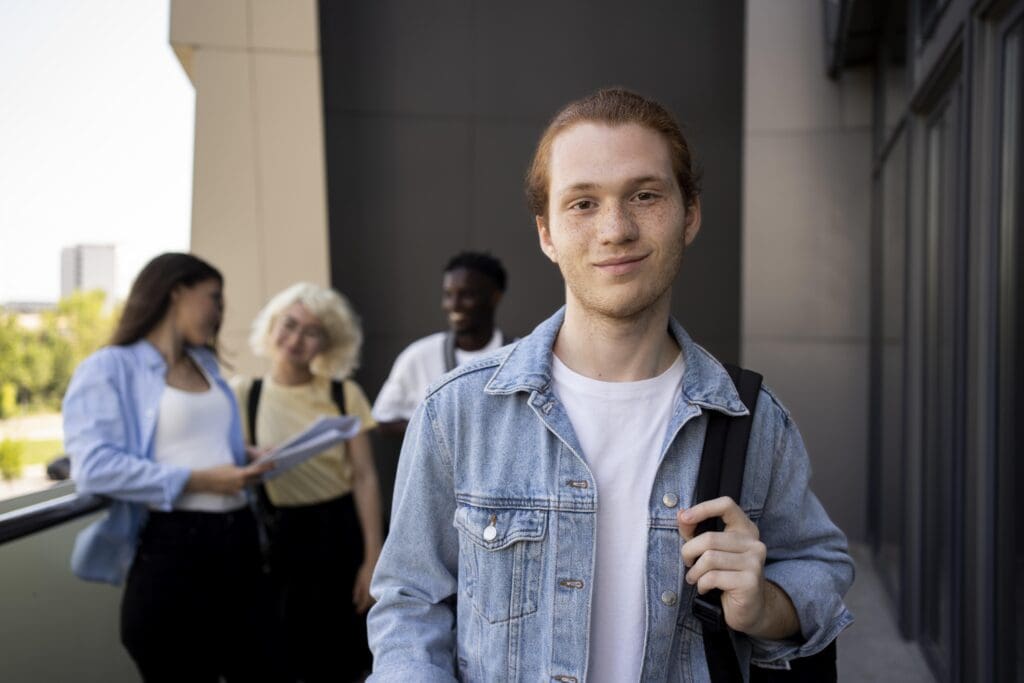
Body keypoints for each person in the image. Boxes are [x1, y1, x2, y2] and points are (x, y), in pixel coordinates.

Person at [367, 88, 854, 681]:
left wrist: (765, 606)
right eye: (583, 203)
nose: (616, 229)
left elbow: (819, 565)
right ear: (546, 233)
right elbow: (410, 603)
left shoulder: (752, 418)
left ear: (690, 215)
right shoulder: (457, 411)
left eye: (645, 195)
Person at [63, 252, 284, 682]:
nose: (220, 312)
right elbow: (94, 466)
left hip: (241, 540)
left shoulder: (204, 363)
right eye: (214, 297)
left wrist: (244, 456)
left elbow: (190, 442)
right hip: (175, 549)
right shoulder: (109, 368)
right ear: (176, 291)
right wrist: (198, 480)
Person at [234, 282, 382, 682]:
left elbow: (365, 477)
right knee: (280, 657)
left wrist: (372, 560)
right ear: (272, 325)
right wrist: (248, 455)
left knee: (342, 659)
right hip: (276, 537)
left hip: (339, 535)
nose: (297, 339)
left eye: (312, 332)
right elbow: (223, 461)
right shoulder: (244, 393)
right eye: (290, 324)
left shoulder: (343, 393)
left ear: (328, 343)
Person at [372, 251, 509, 435]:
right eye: (448, 294)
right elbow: (383, 419)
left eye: (467, 295)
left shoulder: (519, 356)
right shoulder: (418, 356)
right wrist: (437, 431)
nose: (454, 305)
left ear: (495, 297)